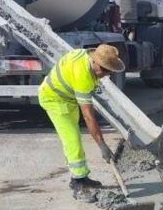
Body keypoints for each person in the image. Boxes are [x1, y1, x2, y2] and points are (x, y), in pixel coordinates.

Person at [37, 45, 125, 191]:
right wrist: (102, 145)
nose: (104, 74)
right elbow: (89, 117)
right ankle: (78, 183)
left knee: (75, 136)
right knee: (72, 139)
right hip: (54, 99)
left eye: (108, 71)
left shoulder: (83, 55)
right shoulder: (83, 78)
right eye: (103, 69)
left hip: (68, 99)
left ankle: (82, 177)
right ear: (95, 61)